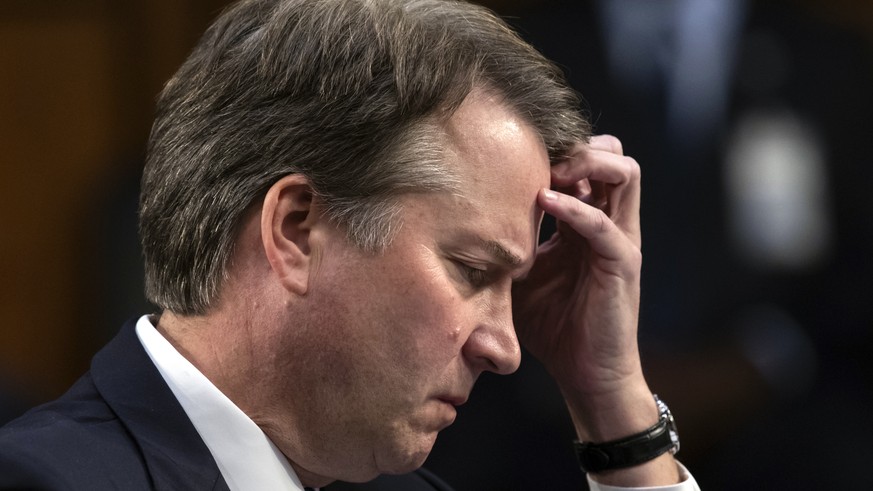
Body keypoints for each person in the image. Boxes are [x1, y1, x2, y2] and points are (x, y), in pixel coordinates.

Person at [0, 0, 700, 489]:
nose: (505, 347)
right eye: (472, 268)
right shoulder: (45, 479)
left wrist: (611, 402)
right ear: (296, 229)